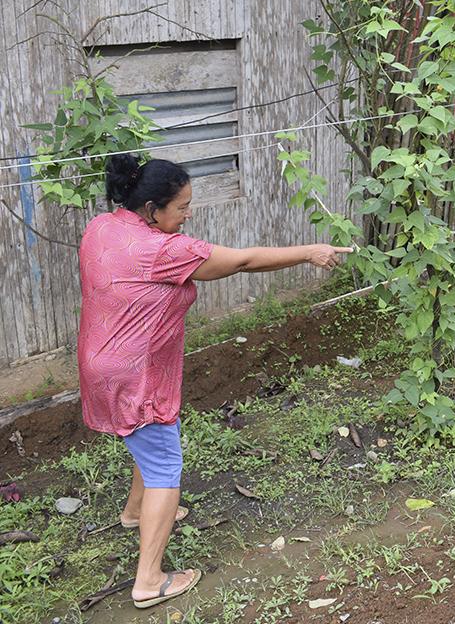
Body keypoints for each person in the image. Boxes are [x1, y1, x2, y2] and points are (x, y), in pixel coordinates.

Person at [77, 154, 351, 609]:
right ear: (151, 209)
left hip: (100, 360)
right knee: (165, 462)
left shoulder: (104, 226)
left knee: (150, 438)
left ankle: (133, 512)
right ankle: (149, 580)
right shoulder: (165, 250)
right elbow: (241, 261)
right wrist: (309, 252)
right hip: (135, 371)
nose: (188, 215)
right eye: (181, 207)